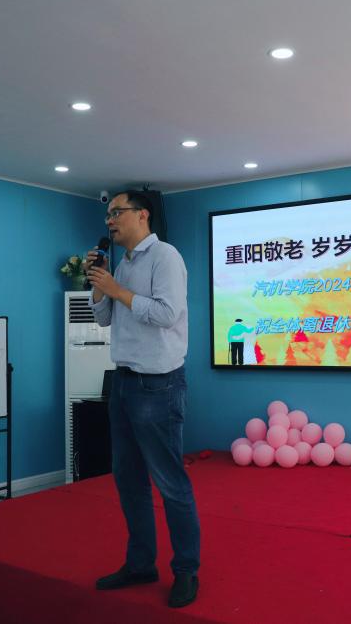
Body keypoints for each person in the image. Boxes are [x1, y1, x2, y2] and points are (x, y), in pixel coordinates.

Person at [85, 190, 200, 608]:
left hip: (159, 385)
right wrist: (100, 286)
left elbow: (167, 314)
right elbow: (103, 319)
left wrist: (117, 289)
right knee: (128, 480)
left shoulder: (165, 257)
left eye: (117, 212)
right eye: (107, 215)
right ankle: (140, 564)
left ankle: (186, 569)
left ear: (142, 215)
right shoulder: (121, 264)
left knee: (170, 483)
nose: (110, 221)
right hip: (123, 382)